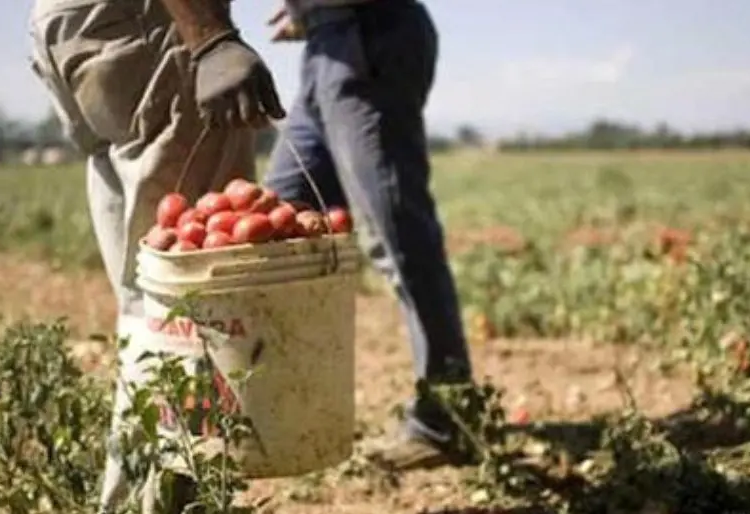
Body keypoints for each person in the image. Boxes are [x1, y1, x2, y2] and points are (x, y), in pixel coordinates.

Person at [26, 0, 285, 511]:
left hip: (77, 25)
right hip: (149, 25)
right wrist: (209, 36)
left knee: (152, 302)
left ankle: (132, 501)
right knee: (195, 310)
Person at [263, 0, 475, 472]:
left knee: (397, 235)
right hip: (326, 43)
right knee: (275, 220)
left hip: (369, 38)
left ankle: (447, 421)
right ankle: (281, 406)